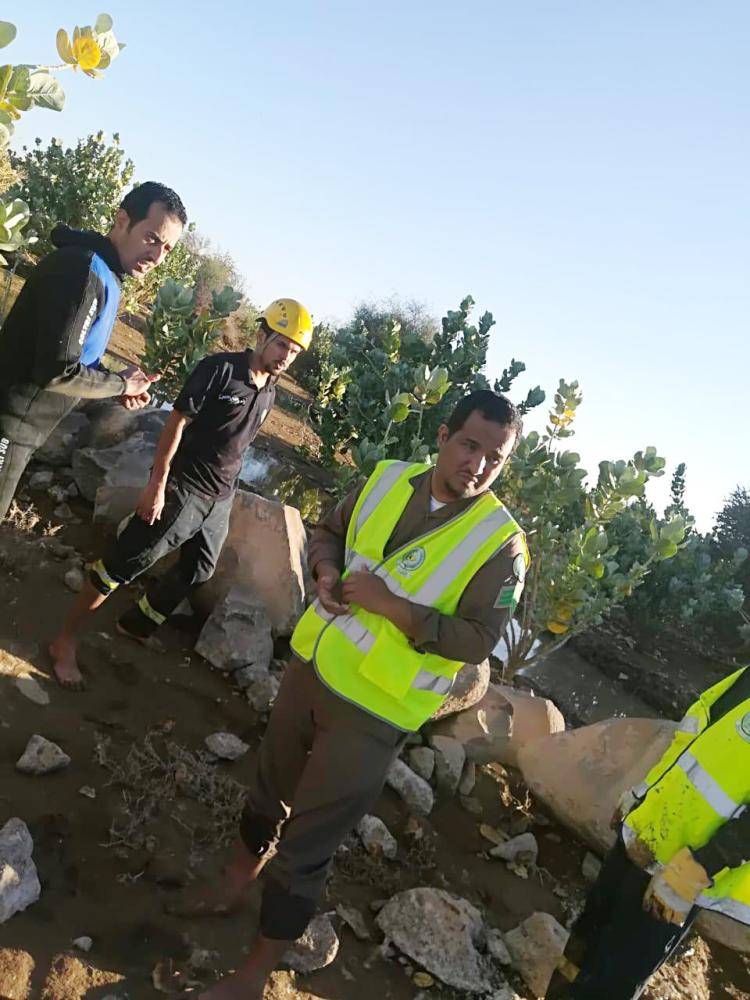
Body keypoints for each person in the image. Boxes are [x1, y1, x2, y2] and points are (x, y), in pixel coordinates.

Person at [181, 389, 530, 1000]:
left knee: (307, 844)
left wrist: (396, 609)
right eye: (470, 445)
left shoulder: (501, 545)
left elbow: (479, 641)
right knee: (268, 787)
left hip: (374, 710)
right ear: (445, 435)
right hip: (311, 667)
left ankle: (252, 975)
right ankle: (234, 880)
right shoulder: (388, 479)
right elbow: (328, 531)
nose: (477, 463)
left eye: (494, 457)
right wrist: (322, 571)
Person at [48, 299, 313, 689]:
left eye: (293, 351)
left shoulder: (269, 391)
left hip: (220, 499)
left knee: (199, 569)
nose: (285, 357)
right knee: (122, 564)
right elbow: (175, 425)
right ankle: (64, 642)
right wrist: (157, 485)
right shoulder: (220, 371)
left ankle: (135, 624)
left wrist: (230, 491)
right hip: (182, 492)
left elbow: (239, 443)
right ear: (261, 335)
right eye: (280, 345)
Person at [546, 665, 750, 999]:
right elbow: (692, 748)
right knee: (584, 942)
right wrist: (640, 795)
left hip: (685, 871)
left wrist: (702, 866)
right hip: (646, 834)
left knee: (614, 975)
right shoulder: (744, 677)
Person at [0, 181, 187, 520]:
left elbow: (77, 357)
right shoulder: (84, 270)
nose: (158, 256)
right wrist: (120, 385)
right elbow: (57, 369)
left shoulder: (105, 273)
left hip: (21, 430)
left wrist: (113, 385)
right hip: (8, 425)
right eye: (152, 238)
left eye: (168, 249)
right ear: (121, 221)